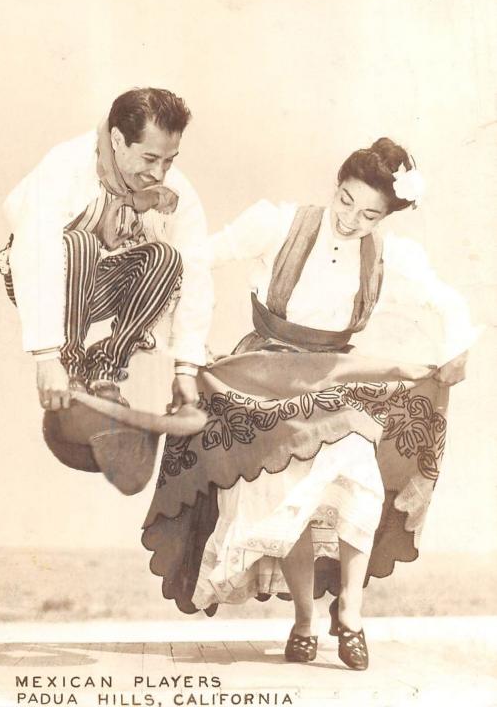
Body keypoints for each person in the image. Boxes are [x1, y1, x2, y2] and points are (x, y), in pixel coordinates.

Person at [141, 137, 478, 670]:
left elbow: (444, 300)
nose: (350, 220)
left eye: (369, 214)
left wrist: (457, 348)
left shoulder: (391, 257)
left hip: (333, 380)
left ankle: (352, 613)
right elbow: (198, 259)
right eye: (345, 200)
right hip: (264, 378)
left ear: (386, 216)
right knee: (288, 494)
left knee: (358, 479)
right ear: (335, 186)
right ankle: (304, 619)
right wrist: (186, 343)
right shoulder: (277, 224)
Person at [0, 87, 213, 412]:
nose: (158, 173)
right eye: (150, 158)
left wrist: (186, 366)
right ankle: (71, 365)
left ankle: (105, 368)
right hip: (41, 280)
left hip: (103, 283)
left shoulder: (173, 190)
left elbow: (196, 270)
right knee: (80, 242)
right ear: (116, 139)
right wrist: (47, 357)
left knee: (167, 258)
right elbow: (34, 250)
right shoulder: (65, 165)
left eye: (169, 161)